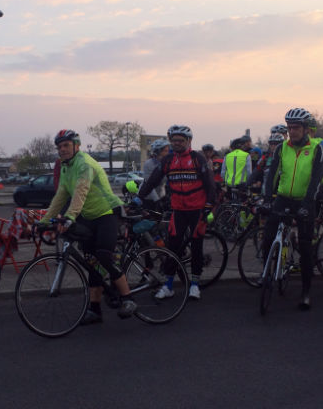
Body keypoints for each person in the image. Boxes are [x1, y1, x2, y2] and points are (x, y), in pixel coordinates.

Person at [40, 129, 137, 324]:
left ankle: (128, 298)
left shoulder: (85, 163)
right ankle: (95, 310)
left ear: (76, 145)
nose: (62, 149)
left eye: (66, 145)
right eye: (59, 147)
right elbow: (60, 197)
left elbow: (80, 192)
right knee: (92, 262)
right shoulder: (66, 167)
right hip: (89, 217)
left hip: (107, 213)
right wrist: (44, 221)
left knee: (103, 256)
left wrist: (70, 217)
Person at [136, 125, 216, 300]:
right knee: (172, 249)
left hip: (197, 211)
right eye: (174, 141)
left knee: (196, 247)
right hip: (178, 211)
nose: (177, 143)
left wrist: (209, 205)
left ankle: (195, 285)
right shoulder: (168, 160)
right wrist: (138, 198)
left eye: (180, 140)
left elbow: (211, 185)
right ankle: (168, 285)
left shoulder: (198, 158)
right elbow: (151, 181)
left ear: (189, 141)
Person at [261, 108, 323, 310]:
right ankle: (267, 275)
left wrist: (308, 204)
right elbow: (272, 175)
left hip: (305, 200)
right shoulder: (282, 148)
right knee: (267, 238)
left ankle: (306, 292)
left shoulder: (318, 147)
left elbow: (316, 178)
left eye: (296, 127)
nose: (292, 131)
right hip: (283, 198)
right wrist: (267, 199)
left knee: (306, 247)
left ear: (306, 129)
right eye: (290, 128)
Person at [141, 138, 170, 207]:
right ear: (158, 151)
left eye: (168, 151)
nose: (167, 153)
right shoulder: (149, 164)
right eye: (165, 151)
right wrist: (157, 200)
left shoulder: (167, 163)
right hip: (149, 197)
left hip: (162, 196)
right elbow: (149, 185)